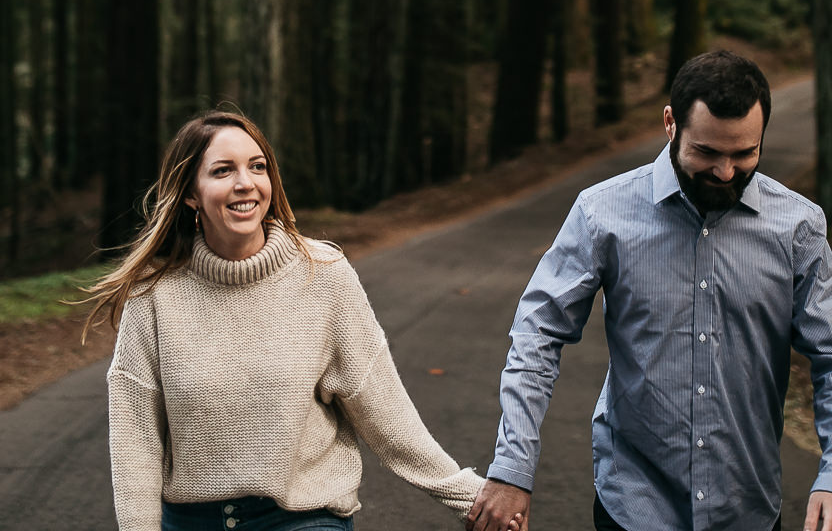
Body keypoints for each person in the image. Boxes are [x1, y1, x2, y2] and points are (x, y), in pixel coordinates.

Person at [465, 49, 832, 531]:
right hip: (634, 506)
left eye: (744, 154)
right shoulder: (602, 213)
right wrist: (513, 469)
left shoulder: (798, 227)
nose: (725, 173)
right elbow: (537, 336)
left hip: (747, 510)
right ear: (669, 123)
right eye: (707, 152)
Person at [87, 109, 513, 531]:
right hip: (193, 522)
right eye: (222, 171)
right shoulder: (154, 297)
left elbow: (385, 411)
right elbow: (135, 445)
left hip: (303, 518)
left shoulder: (323, 274)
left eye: (257, 167)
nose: (245, 183)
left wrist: (470, 497)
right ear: (190, 194)